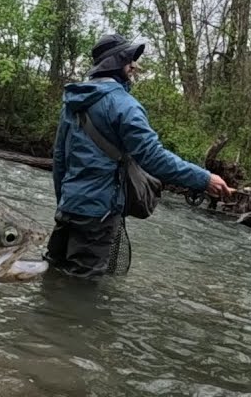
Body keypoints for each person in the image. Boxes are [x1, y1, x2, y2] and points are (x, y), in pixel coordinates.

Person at [47, 33, 232, 278]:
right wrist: (204, 179)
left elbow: (60, 159)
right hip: (98, 214)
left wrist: (66, 201)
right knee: (82, 291)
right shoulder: (125, 106)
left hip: (68, 207)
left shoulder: (72, 102)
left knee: (54, 277)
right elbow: (154, 158)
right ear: (119, 64)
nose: (133, 66)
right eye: (129, 61)